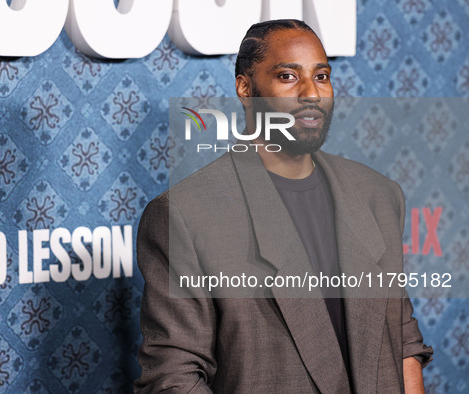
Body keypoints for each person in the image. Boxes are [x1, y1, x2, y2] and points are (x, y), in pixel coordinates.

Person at [134, 20, 433, 393]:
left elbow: (402, 341)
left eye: (321, 76)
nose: (311, 92)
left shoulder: (378, 194)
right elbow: (173, 378)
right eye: (288, 76)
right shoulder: (183, 215)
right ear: (246, 88)